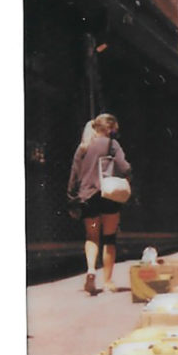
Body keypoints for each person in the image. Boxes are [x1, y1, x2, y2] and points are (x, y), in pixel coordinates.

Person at [66, 112, 132, 294]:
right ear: (110, 129)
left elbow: (74, 176)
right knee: (109, 238)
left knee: (92, 236)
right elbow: (124, 167)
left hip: (88, 198)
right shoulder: (113, 144)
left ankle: (90, 270)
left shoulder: (83, 147)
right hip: (108, 197)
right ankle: (108, 281)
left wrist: (72, 199)